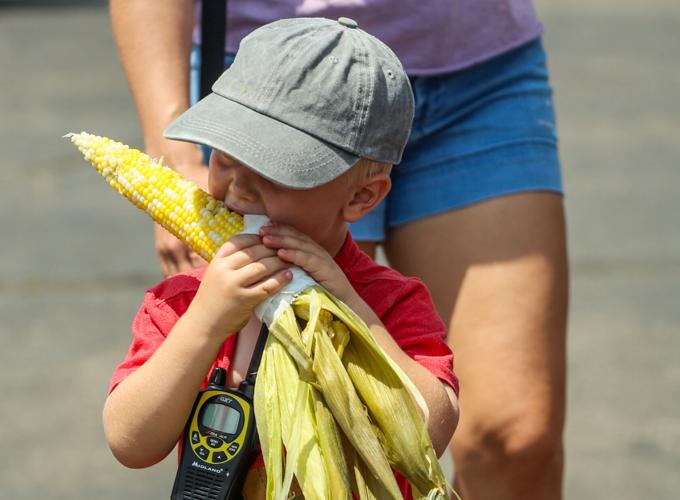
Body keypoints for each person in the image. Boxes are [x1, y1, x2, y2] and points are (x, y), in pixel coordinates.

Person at [110, 2, 568, 498]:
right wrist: (205, 321)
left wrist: (352, 308)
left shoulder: (390, 303)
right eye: (223, 155)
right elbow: (130, 441)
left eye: (270, 169)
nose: (239, 187)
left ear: (361, 197)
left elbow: (428, 432)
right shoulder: (183, 301)